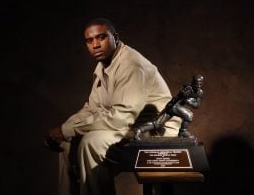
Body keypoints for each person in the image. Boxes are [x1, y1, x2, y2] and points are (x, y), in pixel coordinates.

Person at [44, 17, 181, 195]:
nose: (95, 45)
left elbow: (121, 117)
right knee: (67, 145)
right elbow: (93, 108)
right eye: (89, 40)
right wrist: (62, 131)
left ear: (115, 37)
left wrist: (67, 129)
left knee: (91, 142)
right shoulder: (103, 66)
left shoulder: (132, 65)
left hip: (156, 131)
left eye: (101, 37)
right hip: (129, 126)